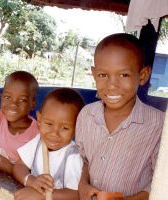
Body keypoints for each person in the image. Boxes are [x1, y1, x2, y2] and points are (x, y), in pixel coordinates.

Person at [75, 33, 165, 200]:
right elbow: (84, 161)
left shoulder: (158, 125)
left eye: (124, 75)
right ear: (94, 74)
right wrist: (83, 185)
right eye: (103, 75)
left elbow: (160, 182)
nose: (112, 85)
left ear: (143, 75)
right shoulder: (86, 115)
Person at [13, 88, 85, 200]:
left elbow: (77, 194)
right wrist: (31, 181)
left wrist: (41, 195)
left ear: (76, 129)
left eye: (65, 128)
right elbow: (19, 166)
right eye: (49, 124)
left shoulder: (73, 156)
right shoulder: (38, 141)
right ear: (40, 120)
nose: (54, 133)